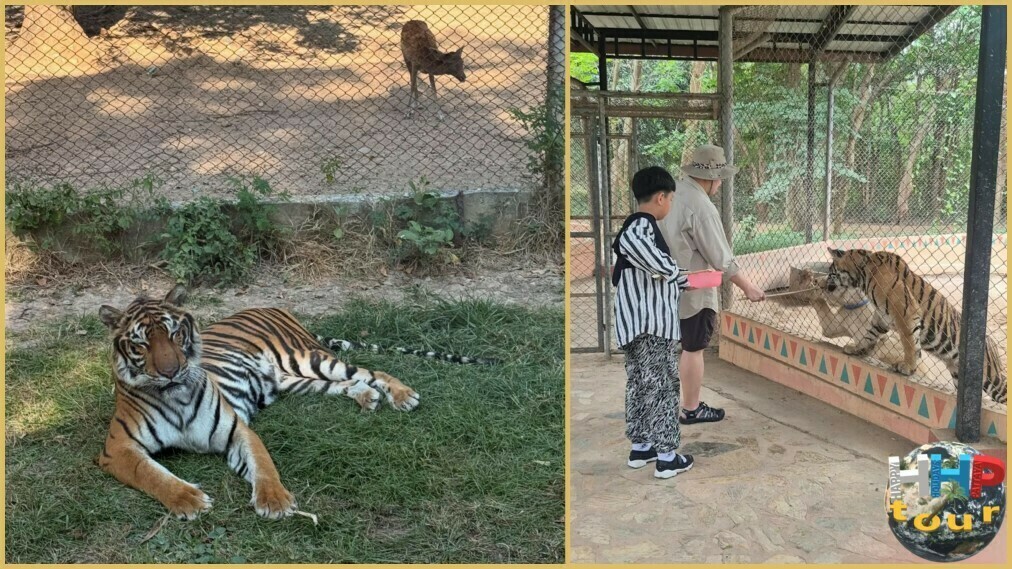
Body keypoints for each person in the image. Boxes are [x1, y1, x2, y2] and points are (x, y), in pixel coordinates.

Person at [658, 145, 766, 425]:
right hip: (694, 288)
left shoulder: (671, 193)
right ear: (713, 176)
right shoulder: (702, 206)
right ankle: (691, 409)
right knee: (693, 348)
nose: (721, 183)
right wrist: (748, 287)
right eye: (721, 177)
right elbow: (721, 257)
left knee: (667, 347)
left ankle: (662, 405)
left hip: (662, 285)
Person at [611, 166, 694, 479]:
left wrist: (676, 276)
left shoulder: (637, 227)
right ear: (661, 197)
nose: (669, 205)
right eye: (670, 199)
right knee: (662, 386)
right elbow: (642, 253)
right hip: (650, 326)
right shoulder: (640, 228)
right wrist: (678, 274)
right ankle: (667, 456)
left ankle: (641, 446)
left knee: (640, 383)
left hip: (636, 324)